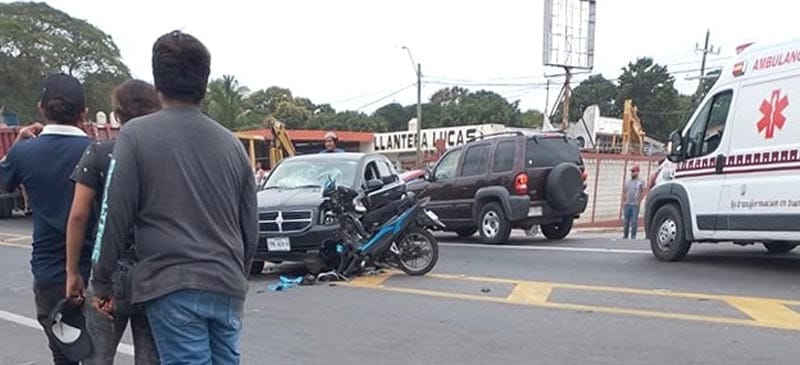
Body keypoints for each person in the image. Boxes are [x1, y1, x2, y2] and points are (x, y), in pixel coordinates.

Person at [92, 30, 258, 365]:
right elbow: (249, 226)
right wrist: (237, 271)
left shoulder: (136, 135)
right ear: (205, 84)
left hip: (172, 284)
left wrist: (101, 280)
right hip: (226, 285)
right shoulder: (231, 144)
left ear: (158, 84)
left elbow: (115, 214)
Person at [65, 79, 162, 364]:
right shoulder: (163, 155)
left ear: (118, 115)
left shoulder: (99, 153)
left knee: (97, 357)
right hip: (153, 270)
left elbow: (79, 214)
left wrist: (73, 271)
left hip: (110, 269)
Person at [0, 73, 92, 365]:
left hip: (50, 273)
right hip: (97, 272)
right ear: (84, 113)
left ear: (41, 109)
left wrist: (16, 147)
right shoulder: (99, 151)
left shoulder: (25, 153)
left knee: (63, 352)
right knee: (98, 352)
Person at [622, 164, 645, 240]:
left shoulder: (640, 181)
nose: (632, 173)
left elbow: (643, 191)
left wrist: (639, 200)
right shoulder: (628, 181)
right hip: (627, 203)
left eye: (634, 171)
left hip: (635, 204)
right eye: (632, 171)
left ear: (638, 172)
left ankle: (633, 235)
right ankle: (625, 235)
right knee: (626, 221)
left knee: (634, 221)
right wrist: (624, 201)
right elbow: (625, 191)